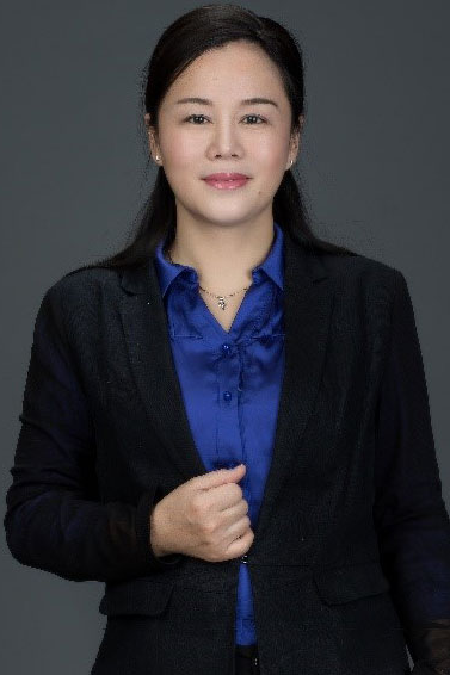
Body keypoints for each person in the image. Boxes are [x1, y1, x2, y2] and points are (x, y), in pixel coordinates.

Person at [4, 4, 450, 674]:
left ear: (293, 139)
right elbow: (33, 517)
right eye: (195, 117)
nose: (225, 145)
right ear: (154, 136)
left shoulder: (370, 300)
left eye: (255, 117)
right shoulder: (83, 310)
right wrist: (154, 530)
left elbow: (413, 515)